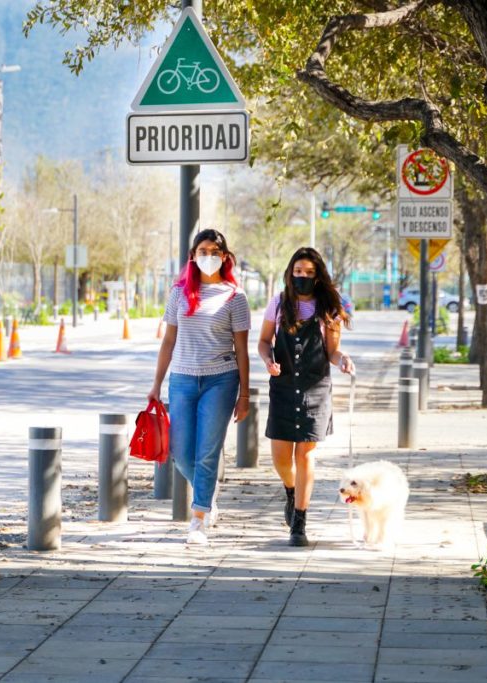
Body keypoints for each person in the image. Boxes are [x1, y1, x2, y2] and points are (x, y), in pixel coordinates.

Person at [148, 229, 251, 545]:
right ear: (192, 256)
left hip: (221, 380)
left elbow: (242, 350)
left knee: (207, 451)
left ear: (225, 256)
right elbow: (168, 341)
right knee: (180, 452)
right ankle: (208, 496)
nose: (209, 256)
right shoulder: (179, 293)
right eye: (202, 250)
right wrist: (156, 385)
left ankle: (199, 519)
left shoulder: (235, 297)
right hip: (181, 380)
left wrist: (245, 394)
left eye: (215, 251)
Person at [257, 247, 353, 547]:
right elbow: (263, 341)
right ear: (290, 272)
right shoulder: (279, 303)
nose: (303, 277)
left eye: (310, 273)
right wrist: (268, 361)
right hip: (283, 388)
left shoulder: (329, 308)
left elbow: (332, 351)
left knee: (306, 454)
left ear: (318, 275)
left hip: (315, 389)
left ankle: (299, 522)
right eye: (299, 271)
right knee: (281, 457)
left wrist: (342, 361)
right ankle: (290, 488)